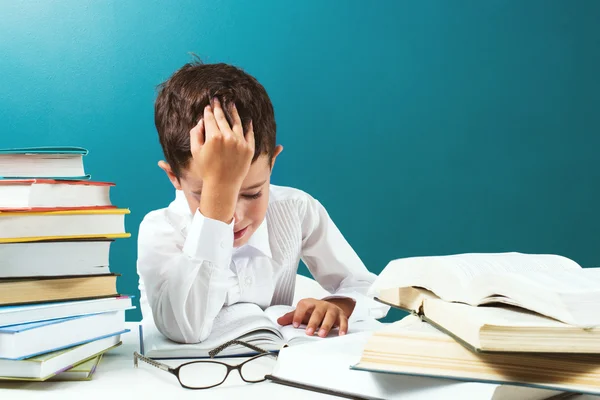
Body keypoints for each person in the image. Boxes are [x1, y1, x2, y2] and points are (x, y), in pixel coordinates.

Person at [136, 61, 388, 344]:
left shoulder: (296, 209)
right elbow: (186, 329)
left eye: (252, 193)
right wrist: (216, 203)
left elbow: (371, 287)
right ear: (174, 178)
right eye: (206, 193)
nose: (235, 215)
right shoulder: (160, 230)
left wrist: (339, 305)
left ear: (272, 164)